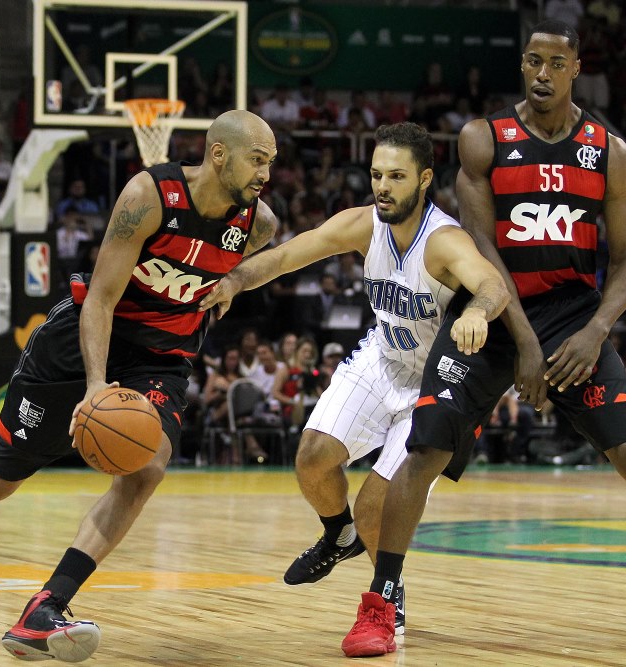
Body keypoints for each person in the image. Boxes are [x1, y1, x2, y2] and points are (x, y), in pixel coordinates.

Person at [337, 21, 626, 658]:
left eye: (554, 64)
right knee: (421, 451)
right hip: (490, 308)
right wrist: (525, 344)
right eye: (531, 61)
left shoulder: (608, 150)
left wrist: (593, 332)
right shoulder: (484, 140)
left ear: (575, 69)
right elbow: (481, 249)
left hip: (571, 319)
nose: (540, 73)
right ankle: (380, 603)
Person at [0, 110, 280, 661]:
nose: (265, 172)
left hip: (162, 357)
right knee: (0, 479)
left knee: (148, 465)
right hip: (84, 342)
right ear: (219, 154)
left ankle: (46, 606)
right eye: (258, 159)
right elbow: (100, 299)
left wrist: (237, 281)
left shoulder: (257, 224)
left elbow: (244, 266)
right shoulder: (150, 197)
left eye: (271, 162)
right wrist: (96, 385)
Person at [200, 122, 508, 637]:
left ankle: (386, 594)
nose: (382, 186)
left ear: (425, 179)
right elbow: (290, 253)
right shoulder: (364, 225)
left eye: (396, 176)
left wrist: (477, 312)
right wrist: (234, 279)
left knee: (376, 507)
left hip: (432, 382)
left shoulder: (444, 240)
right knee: (312, 458)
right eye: (376, 174)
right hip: (382, 357)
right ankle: (338, 534)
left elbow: (492, 284)